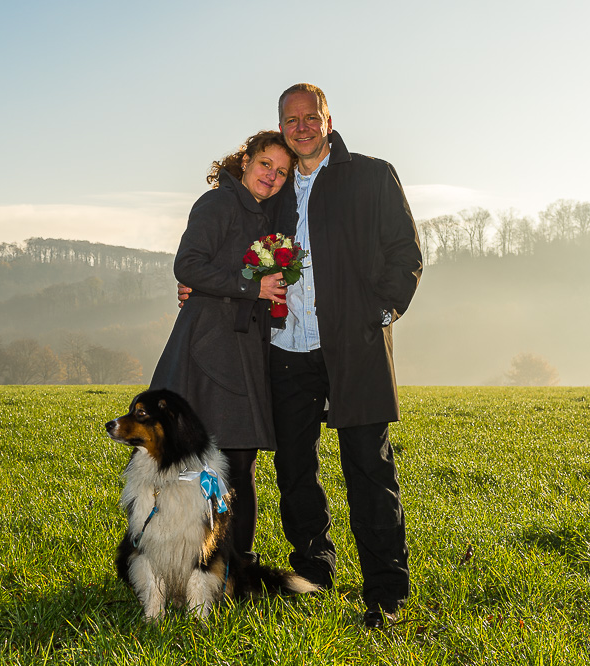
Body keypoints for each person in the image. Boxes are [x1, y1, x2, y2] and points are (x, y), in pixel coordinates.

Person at [180, 84, 423, 629]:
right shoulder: (276, 193)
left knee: (369, 468)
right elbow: (231, 248)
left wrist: (379, 314)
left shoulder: (370, 175)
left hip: (353, 348)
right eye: (290, 119)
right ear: (281, 125)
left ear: (327, 120)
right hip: (286, 348)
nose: (301, 126)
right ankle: (314, 573)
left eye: (310, 117)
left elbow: (405, 253)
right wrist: (199, 287)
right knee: (294, 471)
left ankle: (386, 594)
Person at [150, 130, 295, 562]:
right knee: (214, 462)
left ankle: (229, 565)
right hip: (209, 349)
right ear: (246, 160)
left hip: (242, 348)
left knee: (237, 462)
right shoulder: (218, 202)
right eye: (265, 163)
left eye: (282, 172)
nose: (272, 176)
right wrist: (252, 286)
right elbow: (188, 264)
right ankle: (201, 563)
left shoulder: (262, 214)